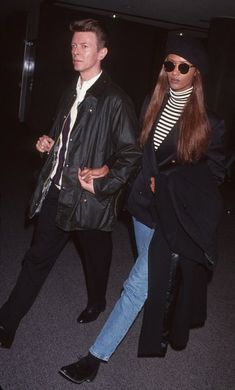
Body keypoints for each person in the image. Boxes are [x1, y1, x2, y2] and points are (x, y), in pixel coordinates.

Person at [59, 35, 226, 385]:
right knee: (152, 277)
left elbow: (214, 175)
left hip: (173, 215)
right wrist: (109, 168)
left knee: (136, 285)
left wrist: (172, 182)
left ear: (196, 74)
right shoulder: (152, 100)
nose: (175, 72)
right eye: (169, 64)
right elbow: (137, 152)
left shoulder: (211, 122)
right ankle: (170, 308)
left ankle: (94, 357)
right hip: (141, 209)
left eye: (183, 67)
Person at [0, 19, 141, 349]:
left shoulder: (116, 101)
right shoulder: (69, 91)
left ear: (102, 52)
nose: (76, 51)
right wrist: (47, 145)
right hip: (57, 192)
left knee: (96, 258)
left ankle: (97, 301)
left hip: (89, 200)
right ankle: (7, 322)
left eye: (85, 46)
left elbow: (131, 153)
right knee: (37, 258)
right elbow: (66, 137)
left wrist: (104, 181)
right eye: (74, 45)